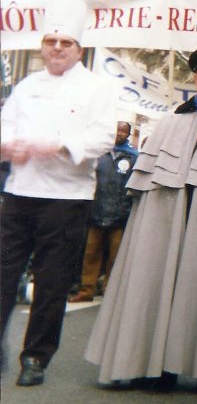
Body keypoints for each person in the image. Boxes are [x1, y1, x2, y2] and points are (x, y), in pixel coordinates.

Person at [85, 46, 197, 393]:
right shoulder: (172, 118)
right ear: (196, 77)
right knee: (158, 282)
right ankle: (156, 366)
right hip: (169, 217)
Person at [0, 1, 117, 387]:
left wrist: (61, 145)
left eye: (65, 42)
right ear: (42, 46)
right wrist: (7, 146)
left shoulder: (97, 87)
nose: (57, 47)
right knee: (2, 273)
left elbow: (102, 136)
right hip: (20, 191)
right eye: (51, 41)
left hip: (67, 197)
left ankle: (36, 356)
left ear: (79, 49)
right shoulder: (27, 85)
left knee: (51, 283)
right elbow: (4, 126)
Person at [69, 122, 138, 303]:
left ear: (128, 134)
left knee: (115, 258)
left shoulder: (133, 157)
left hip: (119, 216)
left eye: (123, 131)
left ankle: (110, 291)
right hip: (96, 213)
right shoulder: (99, 154)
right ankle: (86, 290)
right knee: (90, 254)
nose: (119, 134)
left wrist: (125, 210)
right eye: (117, 130)